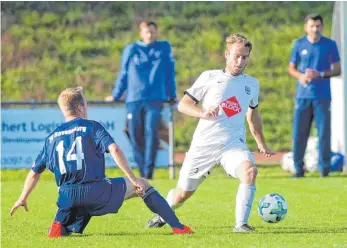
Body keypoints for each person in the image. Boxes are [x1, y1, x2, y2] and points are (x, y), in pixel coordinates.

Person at [10, 87, 192, 238]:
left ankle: (60, 223)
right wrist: (134, 179)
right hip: (96, 192)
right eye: (86, 104)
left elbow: (34, 172)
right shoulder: (92, 126)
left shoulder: (51, 138)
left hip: (67, 197)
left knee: (72, 200)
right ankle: (178, 227)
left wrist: (22, 198)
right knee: (144, 185)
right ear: (80, 107)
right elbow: (115, 149)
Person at [146, 34, 276, 232]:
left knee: (249, 171)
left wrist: (261, 143)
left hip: (233, 145)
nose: (240, 61)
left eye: (245, 57)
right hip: (204, 146)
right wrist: (203, 113)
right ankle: (163, 213)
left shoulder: (252, 84)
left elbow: (253, 115)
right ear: (226, 54)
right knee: (182, 195)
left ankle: (241, 224)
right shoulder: (209, 77)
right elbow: (183, 105)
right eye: (236, 56)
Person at [105, 21, 176, 179]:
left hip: (155, 99)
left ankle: (148, 174)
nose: (150, 35)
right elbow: (123, 73)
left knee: (151, 133)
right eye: (147, 32)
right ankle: (141, 170)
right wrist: (116, 95)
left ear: (156, 32)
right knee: (135, 135)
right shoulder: (131, 49)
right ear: (141, 33)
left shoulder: (163, 48)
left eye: (152, 31)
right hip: (134, 99)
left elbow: (169, 72)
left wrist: (172, 94)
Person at [288, 13, 341, 178]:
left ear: (322, 27)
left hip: (322, 97)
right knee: (299, 133)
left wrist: (320, 74)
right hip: (303, 96)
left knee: (324, 133)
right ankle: (298, 169)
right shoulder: (299, 44)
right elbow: (291, 68)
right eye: (312, 26)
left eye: (318, 26)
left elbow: (338, 69)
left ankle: (324, 170)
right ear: (306, 27)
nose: (315, 29)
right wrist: (302, 76)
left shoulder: (330, 45)